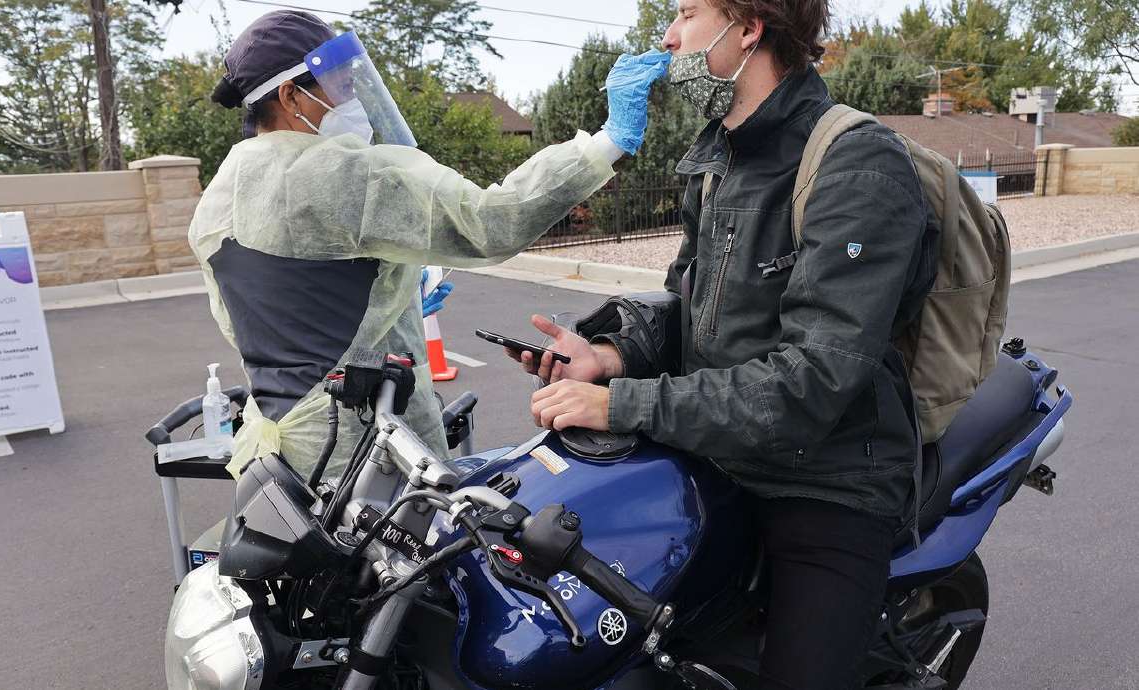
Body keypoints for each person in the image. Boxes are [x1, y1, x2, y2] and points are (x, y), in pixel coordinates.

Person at [514, 0, 937, 687]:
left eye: (686, 13)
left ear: (749, 28)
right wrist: (610, 359)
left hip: (825, 478)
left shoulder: (856, 163)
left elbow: (812, 381)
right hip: (719, 454)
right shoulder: (719, 158)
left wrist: (620, 403)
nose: (670, 37)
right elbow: (693, 313)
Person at [188, 10, 671, 481]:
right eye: (341, 85)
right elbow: (488, 222)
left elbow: (271, 321)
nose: (353, 96)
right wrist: (607, 142)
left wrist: (387, 301)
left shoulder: (219, 196)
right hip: (362, 448)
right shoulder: (341, 173)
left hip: (278, 448)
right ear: (292, 95)